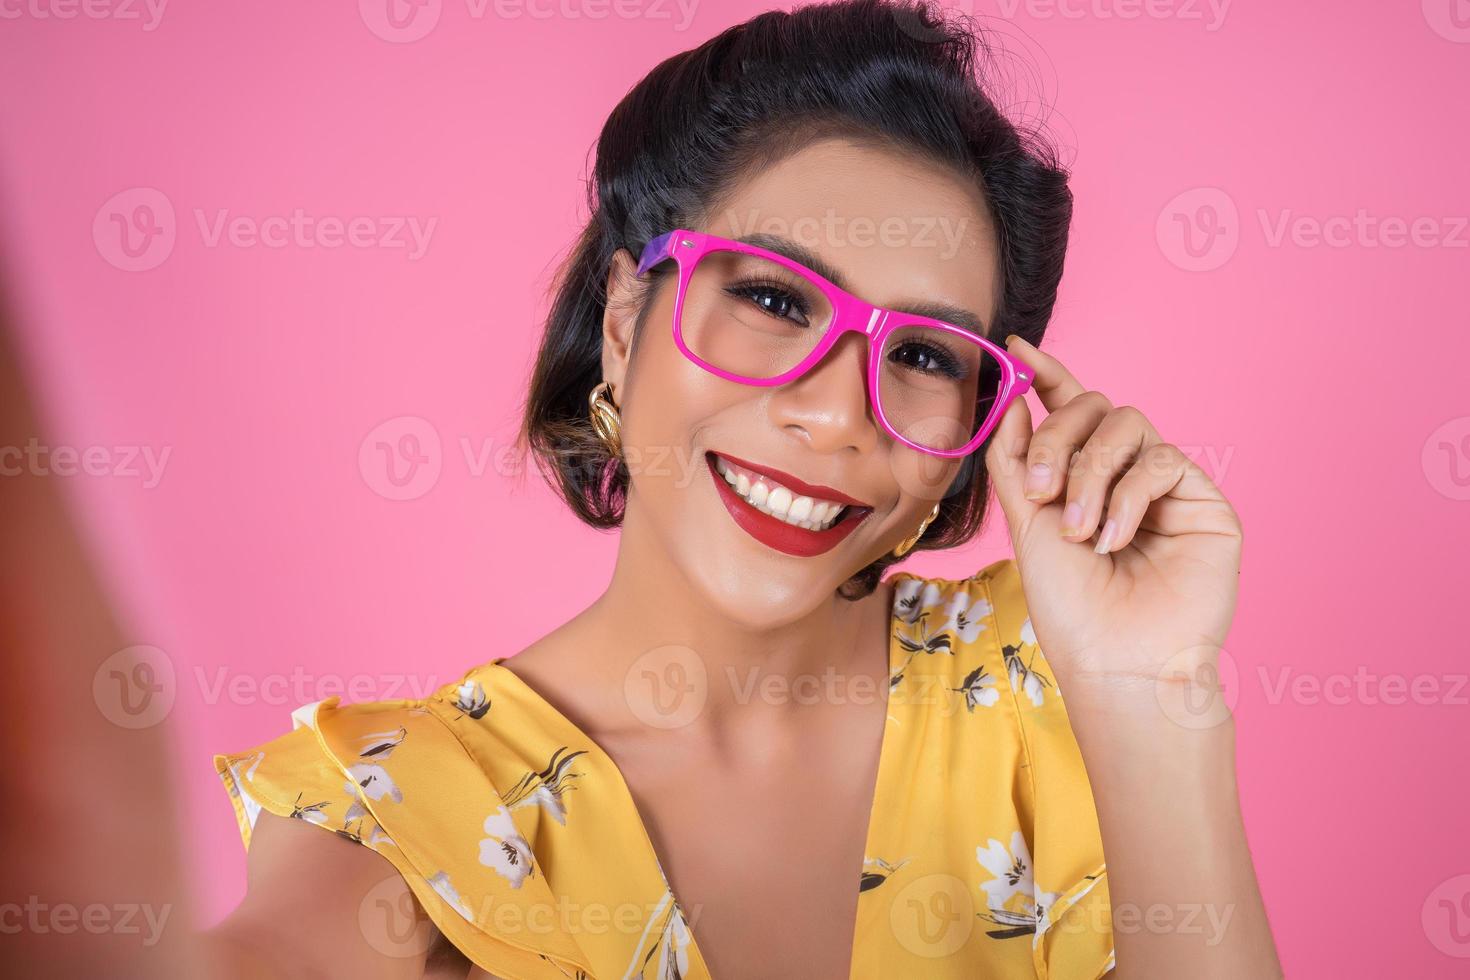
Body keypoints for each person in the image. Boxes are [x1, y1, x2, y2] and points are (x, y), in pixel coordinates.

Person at [202, 1, 1282, 977]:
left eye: (923, 357)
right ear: (624, 324)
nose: (835, 414)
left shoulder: (1051, 685)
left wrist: (1152, 694)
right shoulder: (409, 808)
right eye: (771, 296)